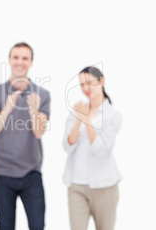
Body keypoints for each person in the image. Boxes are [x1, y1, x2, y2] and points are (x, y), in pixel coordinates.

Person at [0, 42, 50, 230]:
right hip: (1, 174)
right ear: (9, 60)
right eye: (16, 57)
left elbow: (39, 132)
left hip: (31, 173)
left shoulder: (42, 95)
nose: (20, 62)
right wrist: (8, 107)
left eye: (25, 58)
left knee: (38, 226)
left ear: (31, 62)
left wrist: (33, 109)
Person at [62, 66, 122, 230]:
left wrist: (86, 118)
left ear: (101, 81)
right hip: (77, 185)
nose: (85, 89)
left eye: (89, 83)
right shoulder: (77, 110)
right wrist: (79, 118)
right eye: (82, 85)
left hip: (105, 187)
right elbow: (67, 145)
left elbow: (100, 149)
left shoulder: (113, 115)